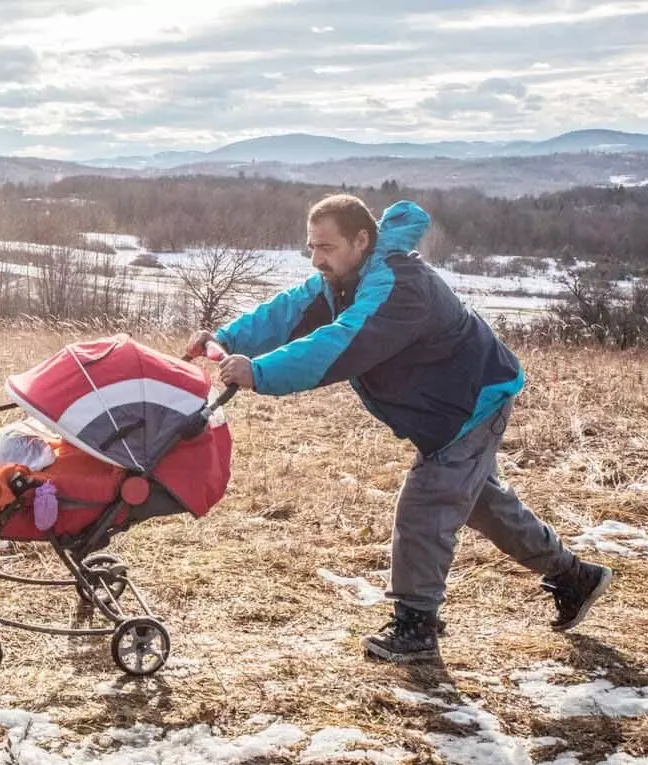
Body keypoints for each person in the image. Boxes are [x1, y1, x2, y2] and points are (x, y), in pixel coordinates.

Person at [185, 195, 611, 663]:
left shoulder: (398, 286)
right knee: (483, 505)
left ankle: (416, 626)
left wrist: (260, 372)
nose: (316, 258)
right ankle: (576, 577)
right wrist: (223, 338)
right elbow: (285, 312)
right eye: (311, 247)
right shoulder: (342, 278)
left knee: (427, 500)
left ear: (361, 240)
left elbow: (341, 343)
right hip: (439, 409)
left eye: (325, 247)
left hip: (471, 401)